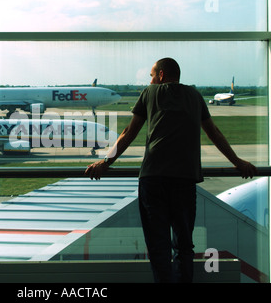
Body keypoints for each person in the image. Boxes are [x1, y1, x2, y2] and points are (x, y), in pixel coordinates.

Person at [85, 58, 257, 283]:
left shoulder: (149, 93)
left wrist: (105, 163)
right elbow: (213, 132)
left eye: (152, 75)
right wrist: (237, 161)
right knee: (184, 246)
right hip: (185, 180)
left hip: (153, 179)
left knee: (159, 247)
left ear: (162, 75)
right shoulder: (195, 96)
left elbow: (129, 132)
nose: (151, 79)